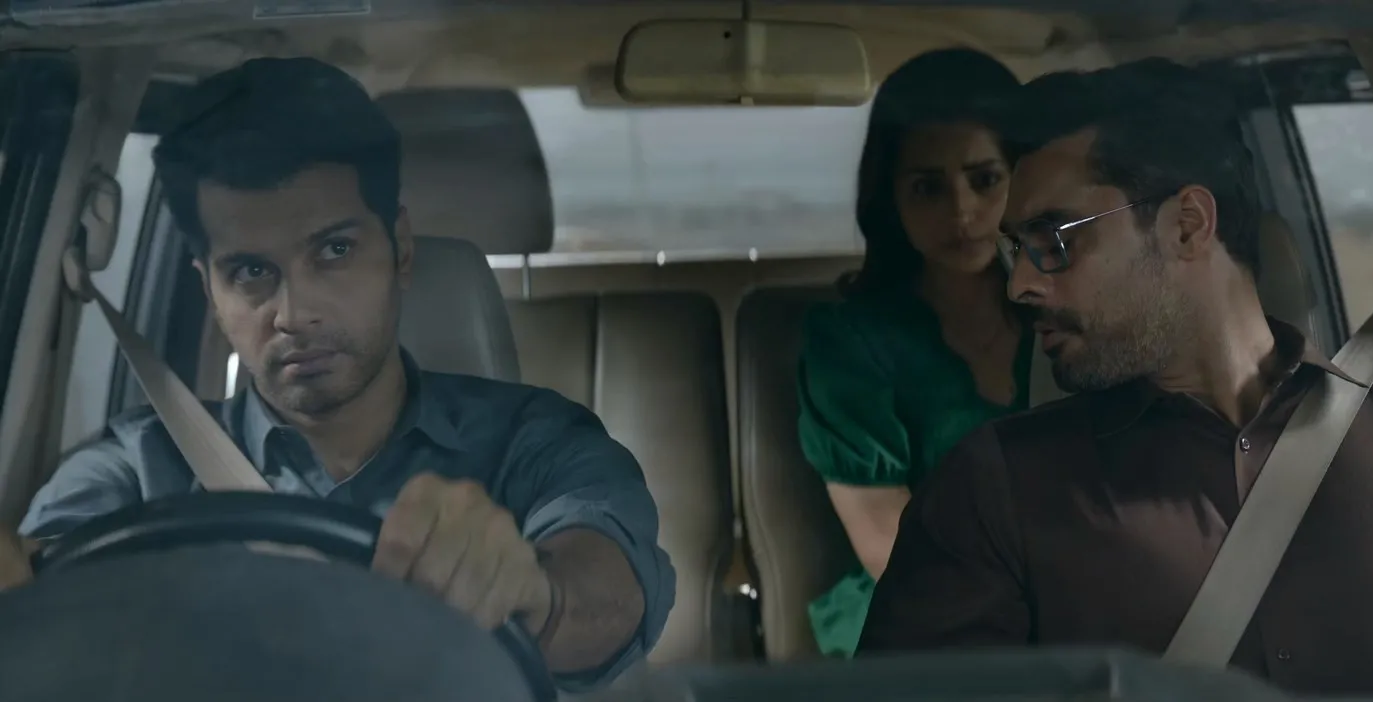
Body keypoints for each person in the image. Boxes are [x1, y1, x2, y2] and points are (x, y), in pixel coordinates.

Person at [858, 59, 1373, 692]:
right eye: (1018, 250)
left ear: (1186, 225)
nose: (1019, 285)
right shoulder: (994, 491)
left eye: (1053, 241)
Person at [0, 57, 673, 692]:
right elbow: (44, 565)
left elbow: (611, 592)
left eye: (334, 250)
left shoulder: (534, 441)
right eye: (251, 271)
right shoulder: (139, 463)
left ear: (400, 251)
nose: (295, 314)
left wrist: (534, 591)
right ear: (210, 291)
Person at [795, 47, 1029, 658]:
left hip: (1082, 606)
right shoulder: (850, 345)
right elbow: (891, 549)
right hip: (923, 626)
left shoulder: (1068, 316)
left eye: (985, 179)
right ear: (891, 199)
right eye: (928, 188)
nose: (961, 211)